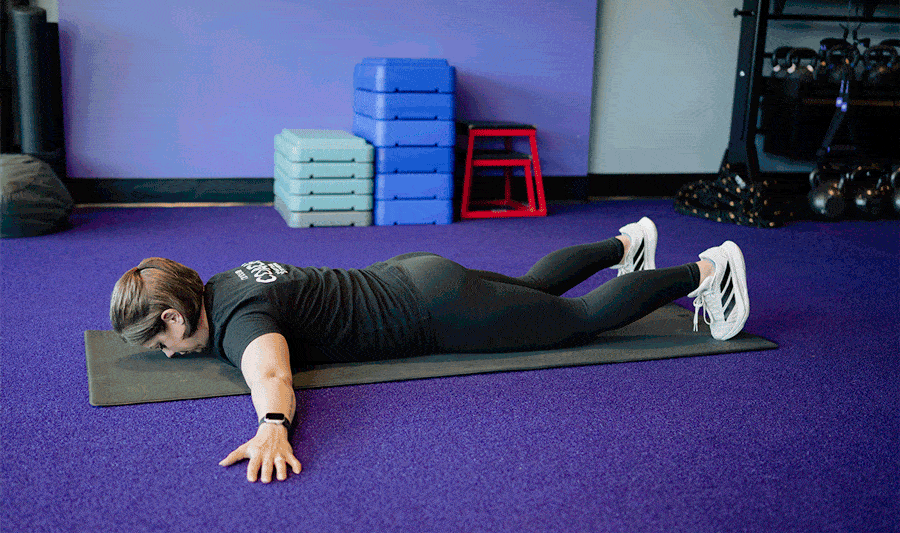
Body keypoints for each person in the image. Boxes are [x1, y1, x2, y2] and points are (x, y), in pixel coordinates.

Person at [109, 217, 749, 484]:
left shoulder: (238, 321)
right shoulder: (222, 280)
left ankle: (707, 272)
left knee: (579, 319)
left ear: (174, 314)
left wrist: (273, 427)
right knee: (528, 289)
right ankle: (626, 244)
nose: (166, 354)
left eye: (161, 340)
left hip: (433, 312)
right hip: (412, 272)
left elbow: (271, 370)